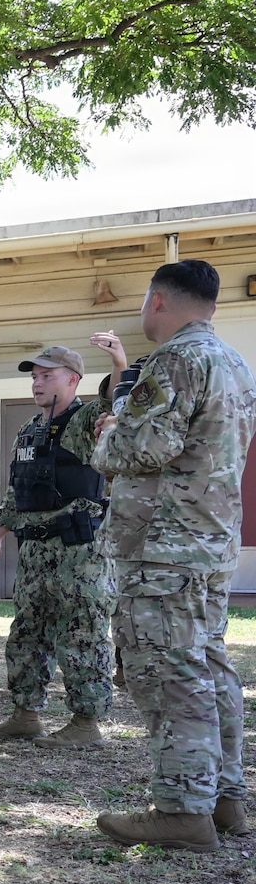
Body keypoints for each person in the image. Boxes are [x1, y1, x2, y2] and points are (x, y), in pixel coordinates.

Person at [91, 260, 256, 852]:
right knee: (210, 667)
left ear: (158, 301)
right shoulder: (235, 363)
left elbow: (141, 447)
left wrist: (109, 431)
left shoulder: (175, 362)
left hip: (165, 547)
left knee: (169, 673)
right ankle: (225, 799)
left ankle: (183, 811)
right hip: (208, 544)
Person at [0, 343, 123, 746]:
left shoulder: (89, 417)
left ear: (73, 380)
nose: (37, 383)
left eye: (47, 375)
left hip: (79, 551)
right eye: (34, 376)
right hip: (35, 550)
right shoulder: (29, 429)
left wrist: (119, 362)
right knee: (27, 633)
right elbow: (16, 489)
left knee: (82, 633)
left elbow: (116, 397)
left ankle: (86, 725)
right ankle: (25, 715)